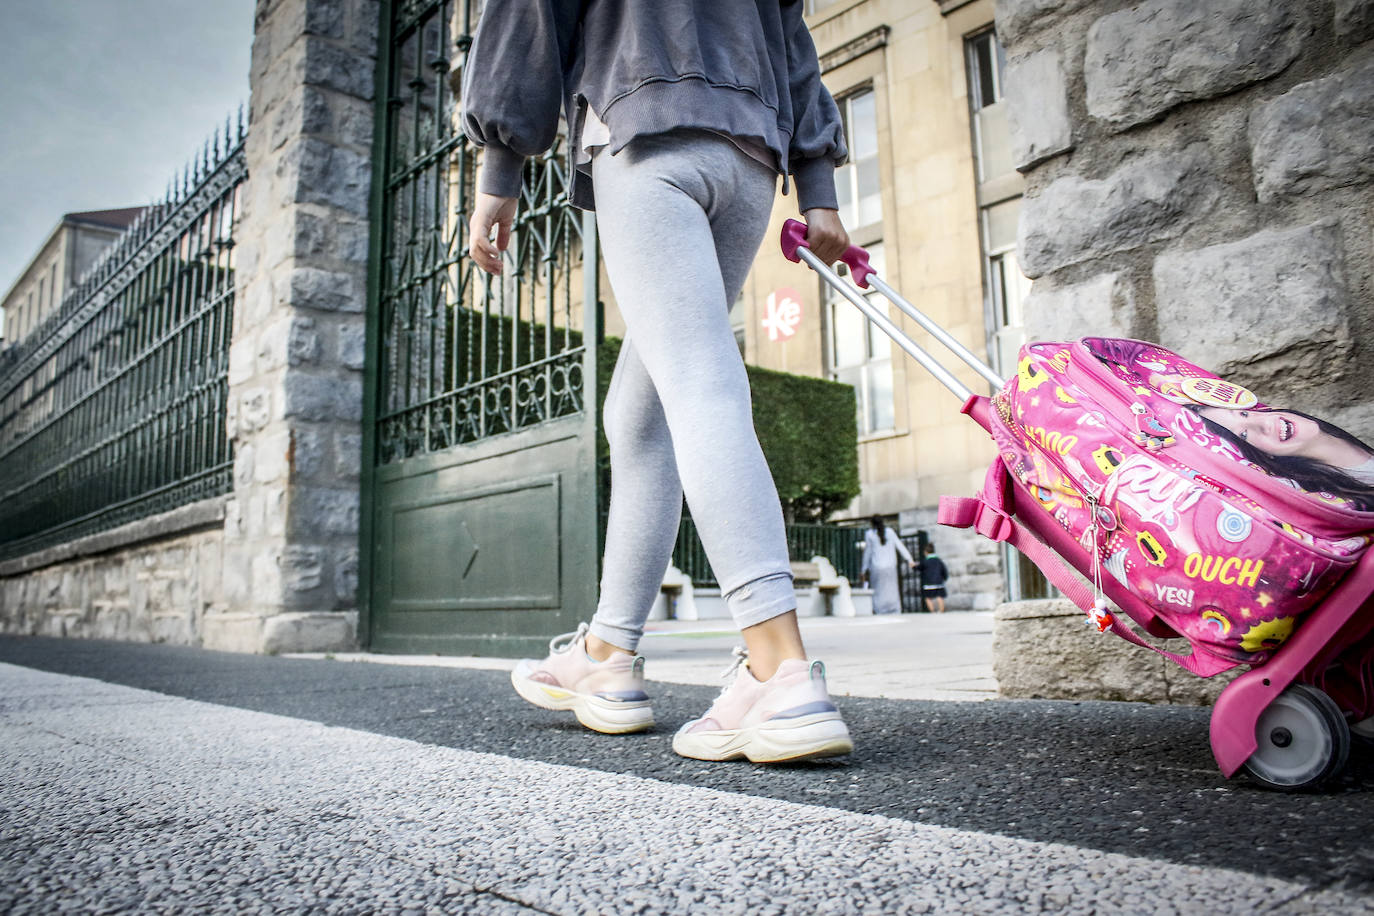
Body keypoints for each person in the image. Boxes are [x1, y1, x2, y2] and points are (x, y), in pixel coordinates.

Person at [461, 0, 855, 763]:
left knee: (699, 383)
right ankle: (608, 654)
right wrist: (819, 188)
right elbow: (793, 43)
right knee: (638, 417)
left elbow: (531, 13)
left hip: (644, 129)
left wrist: (499, 169)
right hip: (747, 158)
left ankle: (779, 670)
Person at [1187, 405, 1374, 509]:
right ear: (1261, 457)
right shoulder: (1342, 506)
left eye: (1244, 413)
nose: (1264, 423)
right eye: (1244, 435)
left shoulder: (1358, 452)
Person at [859, 515, 915, 615]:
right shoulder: (890, 532)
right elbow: (900, 545)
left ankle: (879, 610)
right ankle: (894, 609)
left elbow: (868, 552)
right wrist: (909, 559)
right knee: (892, 589)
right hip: (890, 566)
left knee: (878, 590)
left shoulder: (870, 534)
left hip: (877, 567)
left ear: (872, 524)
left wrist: (864, 569)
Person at [920, 542, 949, 614]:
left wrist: (913, 566)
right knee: (939, 596)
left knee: (928, 598)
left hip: (928, 583)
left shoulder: (925, 561)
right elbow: (944, 570)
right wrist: (945, 577)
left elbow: (919, 567)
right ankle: (941, 611)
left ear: (925, 552)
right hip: (938, 582)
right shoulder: (938, 560)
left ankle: (932, 612)